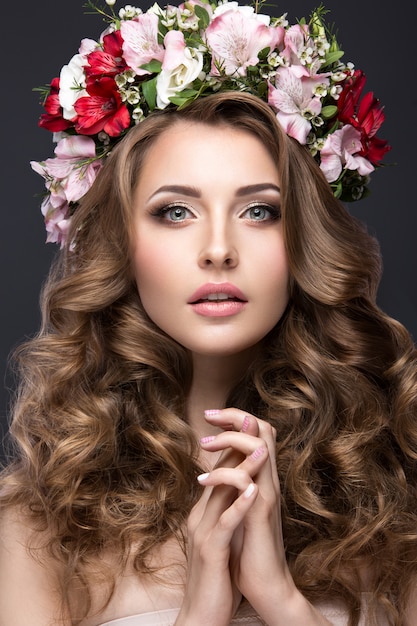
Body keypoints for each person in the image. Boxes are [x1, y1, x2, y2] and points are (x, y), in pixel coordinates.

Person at [1, 1, 416, 625]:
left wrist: (278, 596)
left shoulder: (400, 496)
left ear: (305, 238)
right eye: (175, 211)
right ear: (123, 245)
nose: (218, 249)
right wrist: (201, 611)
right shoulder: (31, 521)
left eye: (259, 211)